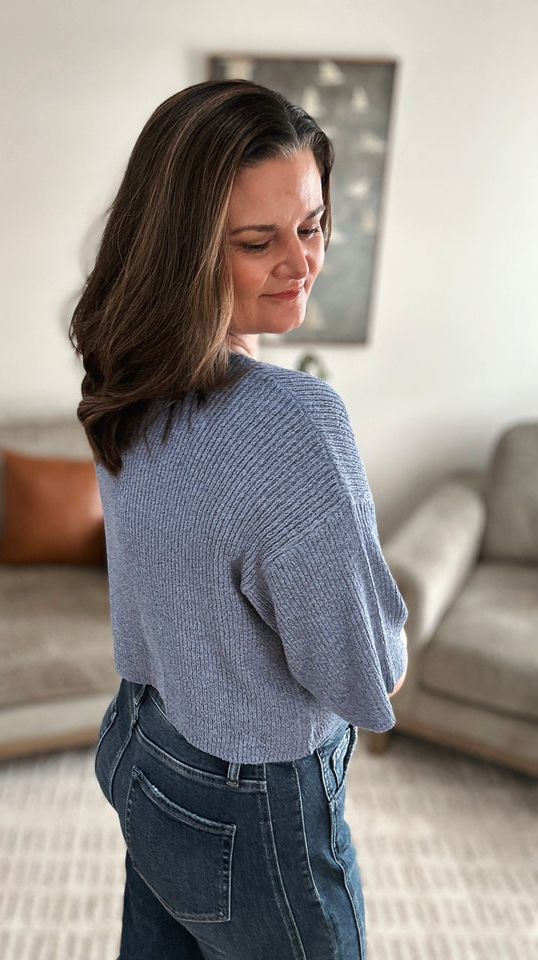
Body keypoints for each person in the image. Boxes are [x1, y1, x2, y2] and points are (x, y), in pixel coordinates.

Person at [70, 79, 408, 960]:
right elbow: (365, 680)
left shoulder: (124, 370)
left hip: (142, 746)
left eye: (313, 225)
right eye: (258, 241)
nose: (302, 262)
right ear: (181, 251)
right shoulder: (294, 421)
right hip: (250, 806)